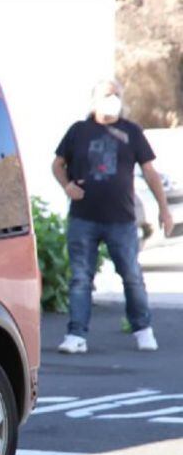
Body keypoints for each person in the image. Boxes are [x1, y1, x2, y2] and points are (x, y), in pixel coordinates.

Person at [53, 79, 175, 354]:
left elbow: (150, 172)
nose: (113, 100)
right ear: (95, 99)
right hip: (83, 218)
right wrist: (67, 186)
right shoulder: (79, 131)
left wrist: (164, 210)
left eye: (117, 95)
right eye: (108, 95)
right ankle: (76, 335)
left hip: (121, 219)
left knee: (131, 275)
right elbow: (58, 164)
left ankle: (143, 329)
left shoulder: (131, 131)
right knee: (81, 278)